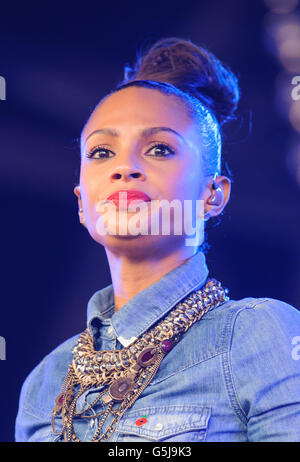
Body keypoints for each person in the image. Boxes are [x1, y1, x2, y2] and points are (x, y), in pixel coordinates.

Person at [15, 37, 300, 442]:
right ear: (81, 202)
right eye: (101, 153)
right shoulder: (45, 385)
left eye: (160, 148)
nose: (124, 167)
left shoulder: (260, 335)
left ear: (212, 194)